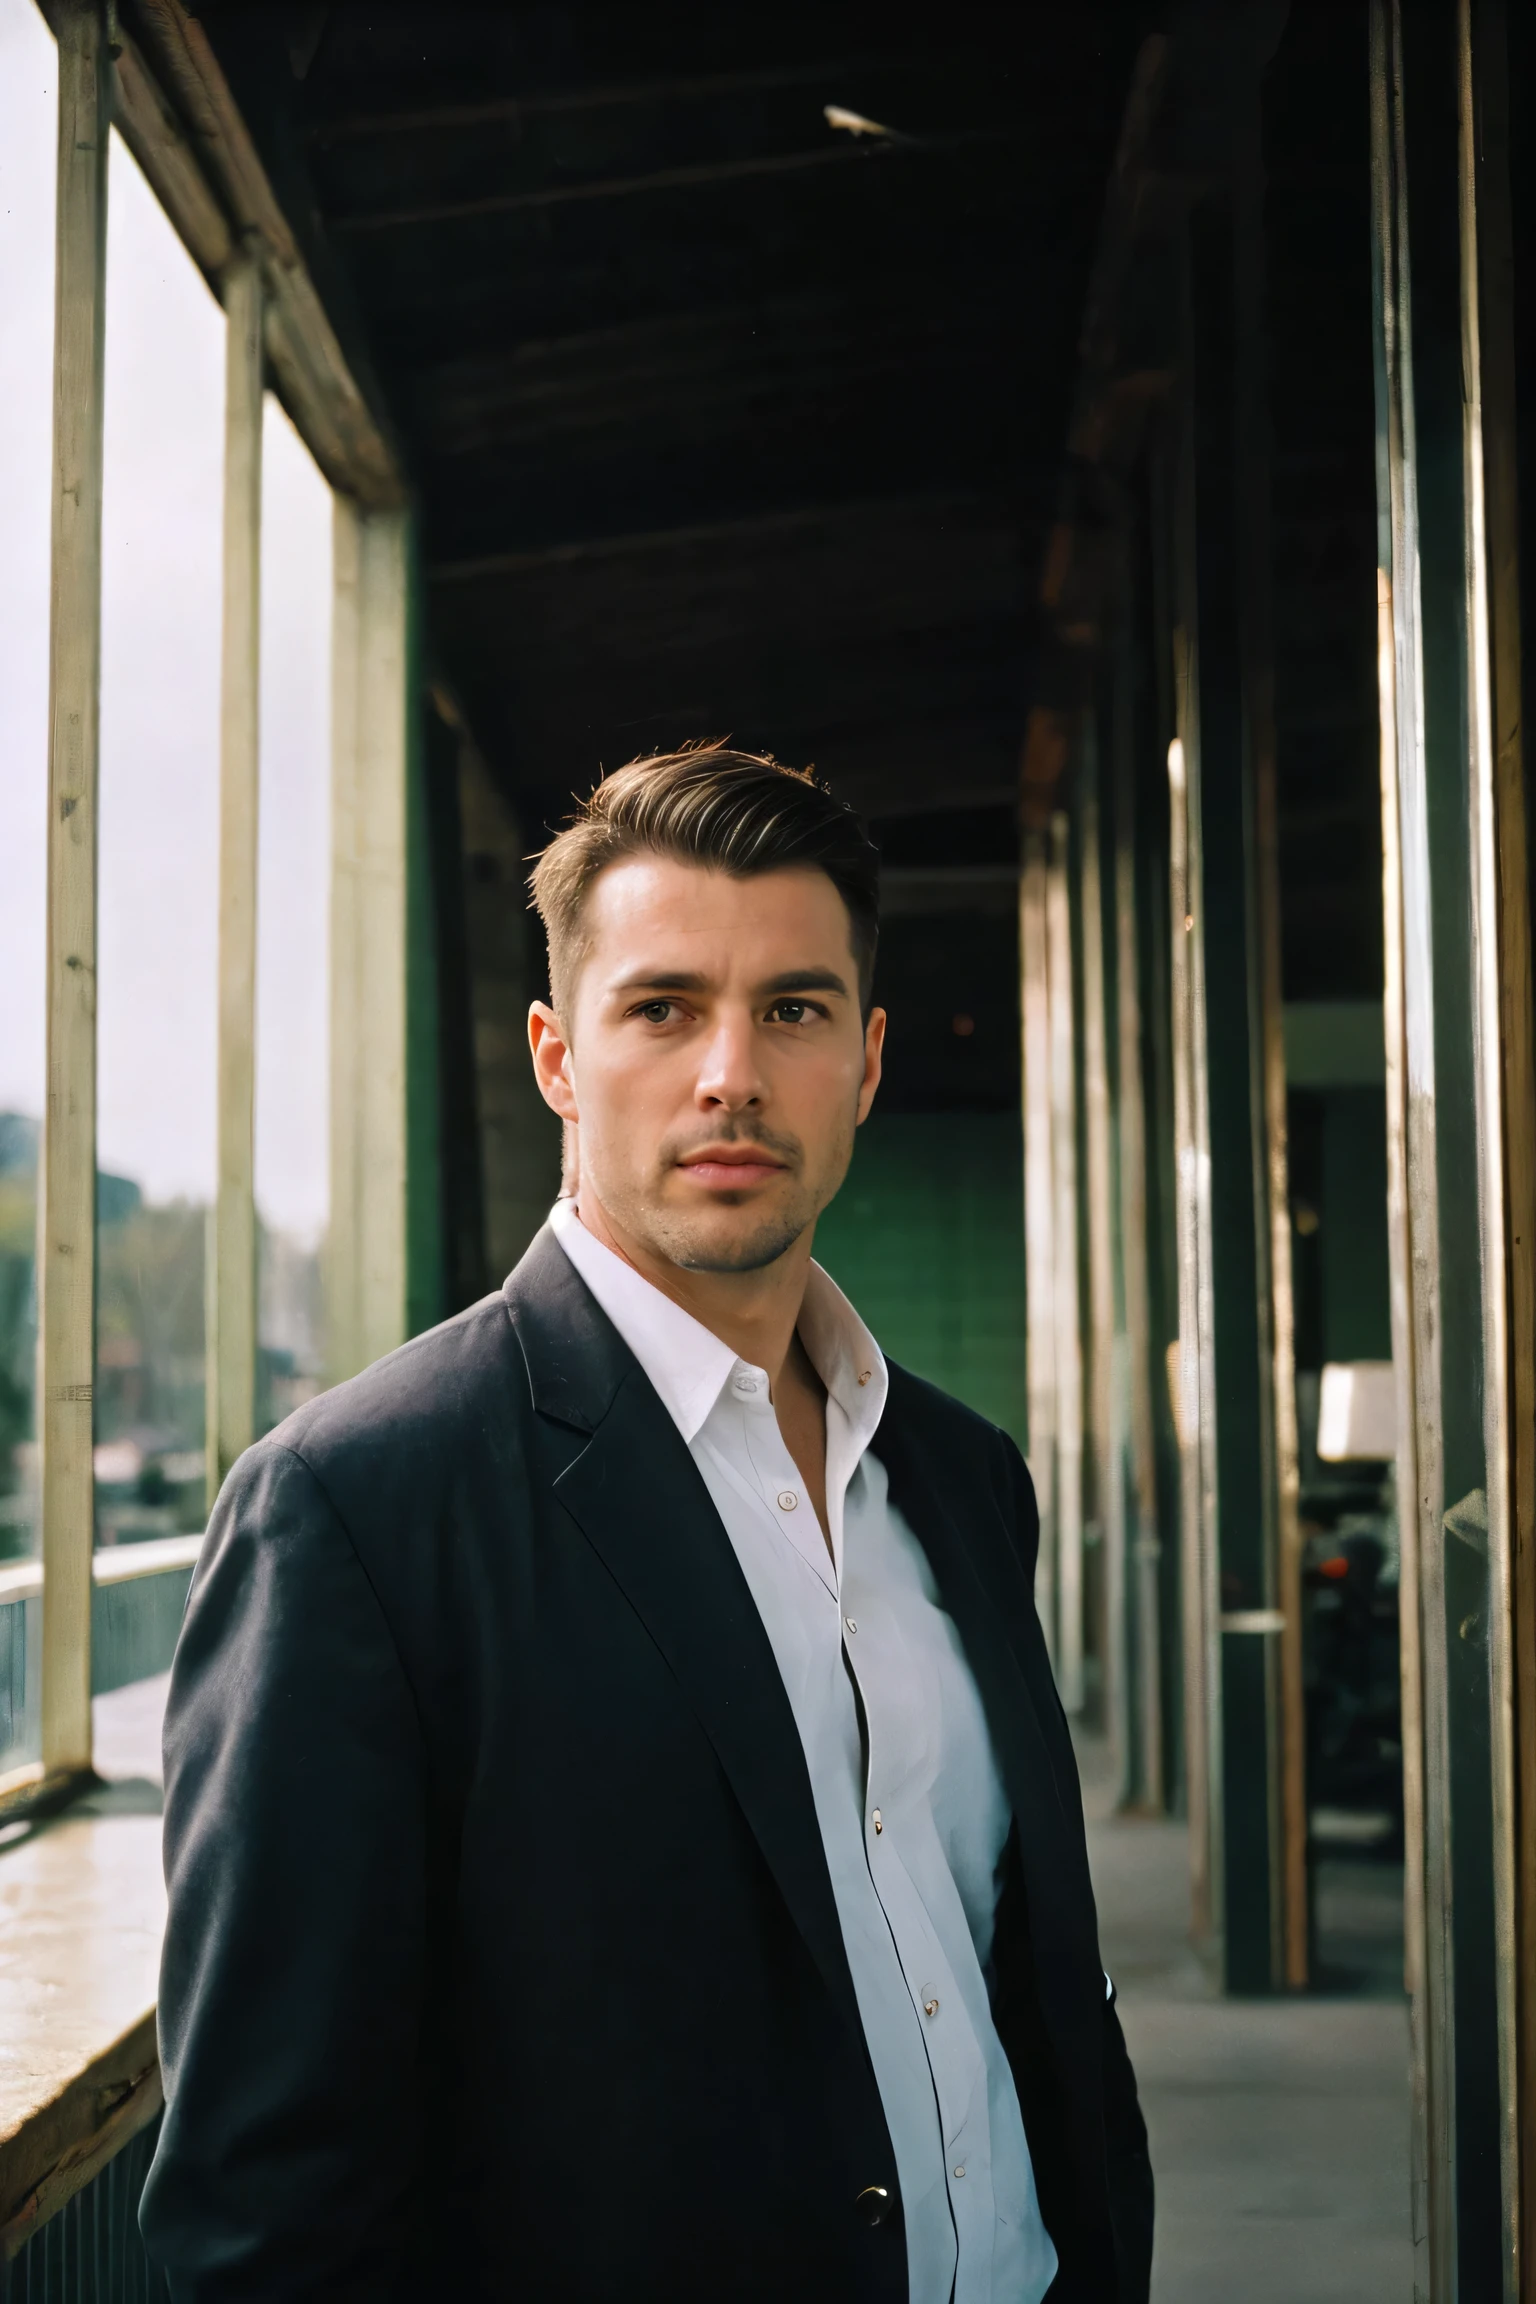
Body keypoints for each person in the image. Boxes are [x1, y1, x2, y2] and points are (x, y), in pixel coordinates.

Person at [141, 745, 1152, 2301]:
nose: (729, 1072)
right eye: (664, 1008)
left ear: (866, 1063)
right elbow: (268, 2207)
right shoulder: (355, 1512)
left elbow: (1024, 1982)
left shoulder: (959, 1476)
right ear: (556, 1055)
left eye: (793, 1011)